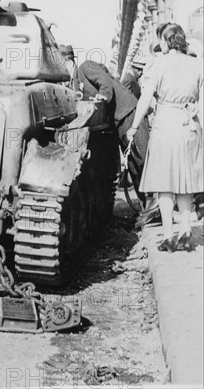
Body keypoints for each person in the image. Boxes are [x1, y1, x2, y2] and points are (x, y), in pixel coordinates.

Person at [59, 45, 159, 226]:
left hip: (129, 113)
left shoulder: (85, 67)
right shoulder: (73, 83)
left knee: (142, 160)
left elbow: (104, 82)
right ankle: (148, 209)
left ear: (68, 61)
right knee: (134, 166)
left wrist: (102, 96)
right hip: (119, 120)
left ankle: (157, 207)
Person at [127, 23, 203, 252]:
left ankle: (169, 237)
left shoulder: (158, 64)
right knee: (185, 183)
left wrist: (134, 126)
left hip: (165, 126)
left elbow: (145, 99)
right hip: (189, 125)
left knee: (165, 184)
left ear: (165, 41)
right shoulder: (197, 63)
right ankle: (186, 233)